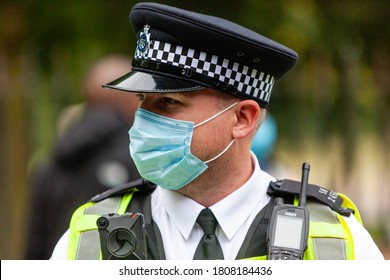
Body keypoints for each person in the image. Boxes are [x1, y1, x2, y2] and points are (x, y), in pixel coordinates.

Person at [51, 2, 384, 260]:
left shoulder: (333, 241)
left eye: (167, 102)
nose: (143, 121)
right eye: (142, 100)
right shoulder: (91, 234)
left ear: (242, 119)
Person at [25, 55, 140, 259]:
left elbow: (35, 241)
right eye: (141, 95)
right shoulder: (138, 156)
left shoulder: (52, 157)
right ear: (130, 99)